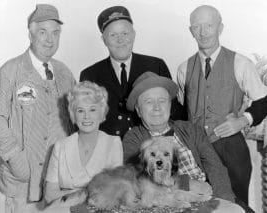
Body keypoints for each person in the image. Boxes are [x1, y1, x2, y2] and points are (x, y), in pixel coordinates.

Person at [176, 5, 267, 209]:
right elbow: (182, 113)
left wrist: (243, 120)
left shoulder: (240, 63)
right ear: (190, 31)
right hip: (196, 151)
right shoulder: (184, 68)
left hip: (232, 149)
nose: (203, 32)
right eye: (197, 27)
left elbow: (264, 102)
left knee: (236, 205)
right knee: (200, 205)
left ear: (220, 28)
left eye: (209, 26)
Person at [0, 4, 75, 212]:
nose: (49, 39)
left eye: (55, 33)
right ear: (30, 34)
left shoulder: (64, 73)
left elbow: (75, 120)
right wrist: (18, 162)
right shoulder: (10, 71)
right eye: (42, 32)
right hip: (22, 185)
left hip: (58, 184)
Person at [123, 71, 236, 203]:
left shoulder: (190, 129)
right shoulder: (133, 138)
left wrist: (226, 204)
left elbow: (216, 168)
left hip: (205, 197)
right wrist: (186, 184)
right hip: (166, 203)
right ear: (138, 110)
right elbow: (137, 177)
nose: (157, 107)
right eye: (149, 102)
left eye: (162, 101)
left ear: (170, 105)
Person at [80, 6, 183, 139]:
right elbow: (85, 121)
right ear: (103, 40)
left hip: (151, 149)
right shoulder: (90, 75)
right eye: (113, 35)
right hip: (108, 152)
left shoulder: (156, 65)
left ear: (134, 34)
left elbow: (173, 111)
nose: (120, 40)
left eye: (125, 33)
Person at [44, 81, 123, 210]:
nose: (86, 116)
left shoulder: (113, 143)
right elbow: (49, 195)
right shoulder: (60, 146)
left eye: (92, 109)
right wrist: (87, 194)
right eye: (80, 110)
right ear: (73, 115)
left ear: (102, 113)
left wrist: (70, 195)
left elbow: (115, 192)